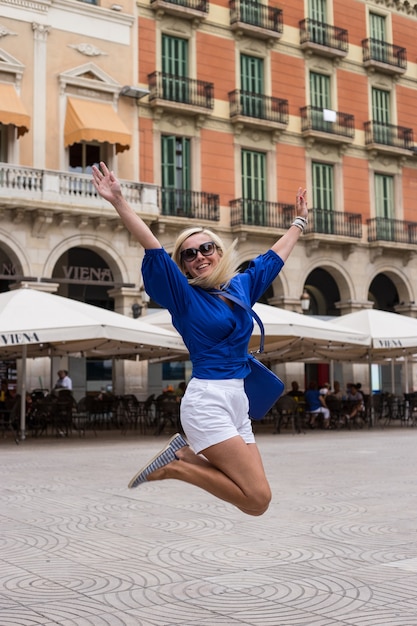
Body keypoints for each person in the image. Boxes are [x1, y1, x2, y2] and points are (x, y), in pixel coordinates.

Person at [92, 161, 308, 516]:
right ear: (184, 265)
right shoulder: (185, 298)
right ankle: (176, 465)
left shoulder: (240, 287)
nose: (199, 257)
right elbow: (153, 248)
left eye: (206, 248)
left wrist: (299, 223)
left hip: (238, 402)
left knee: (255, 496)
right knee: (257, 500)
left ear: (219, 252)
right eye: (189, 254)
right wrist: (119, 202)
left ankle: (184, 454)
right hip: (208, 401)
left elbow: (274, 258)